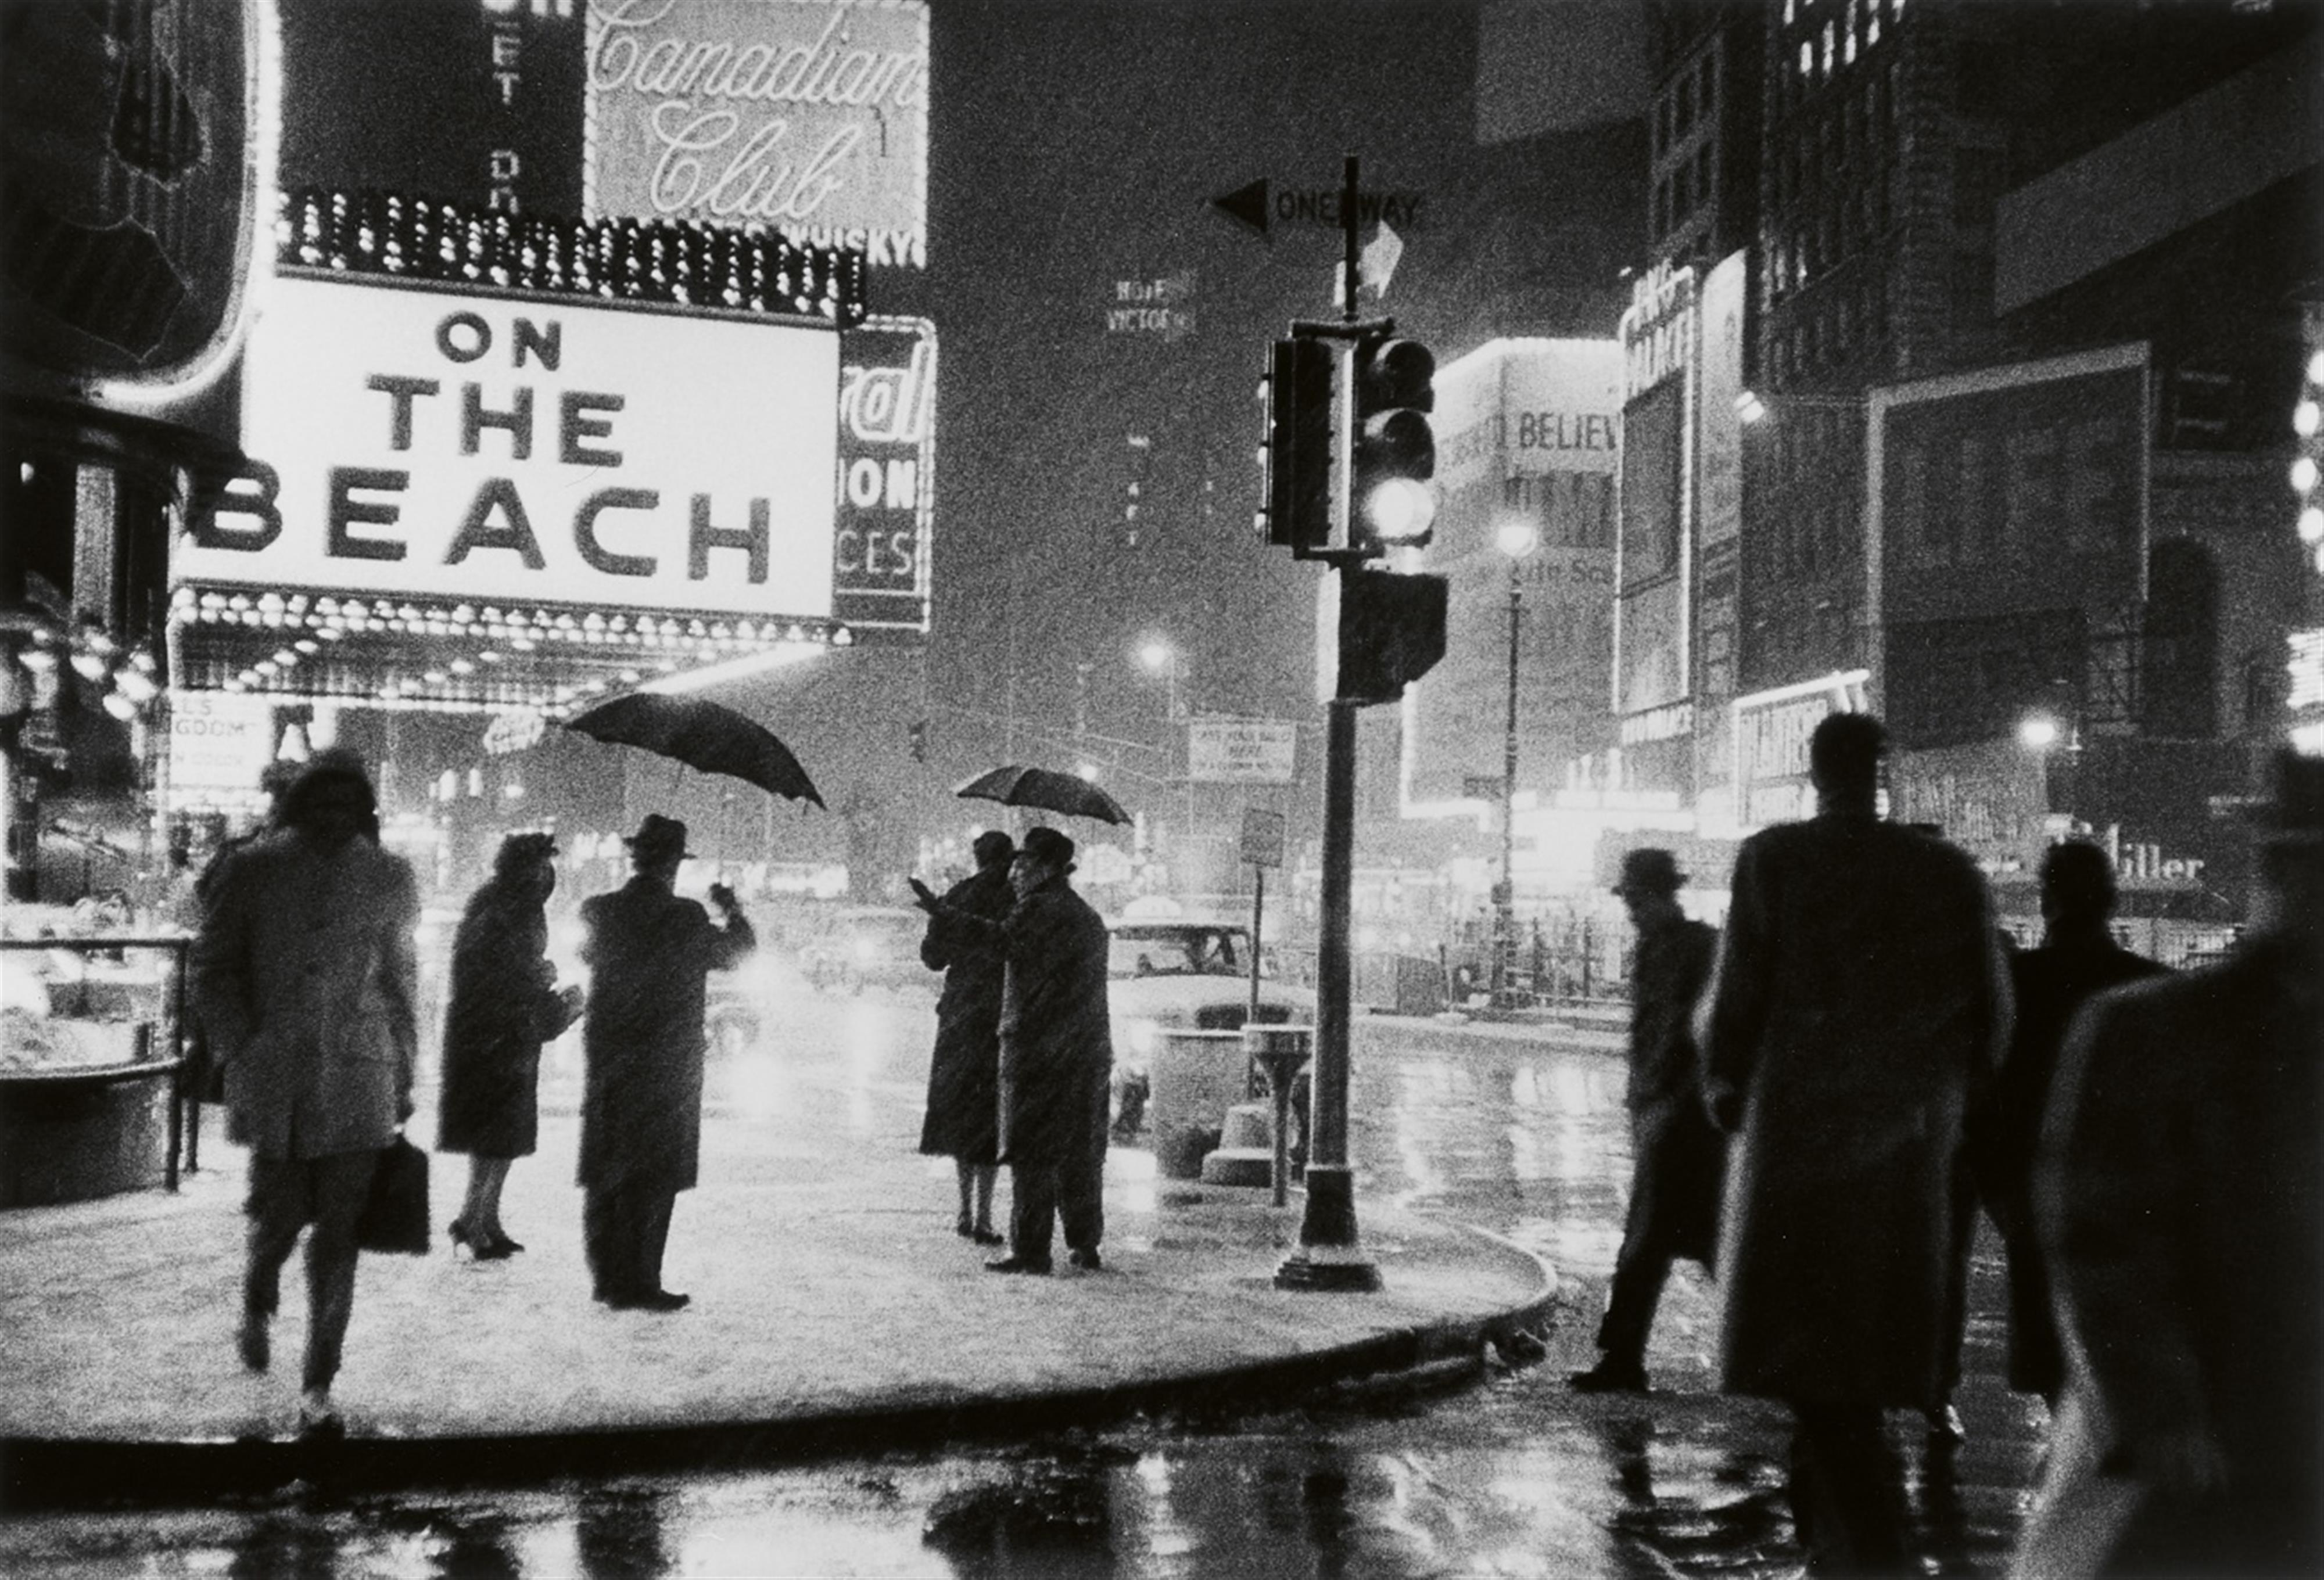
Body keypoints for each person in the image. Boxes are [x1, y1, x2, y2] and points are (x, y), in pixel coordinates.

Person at [1696, 712, 2010, 1576]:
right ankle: (1842, 1545)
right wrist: (1952, 1098)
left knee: (1812, 1366)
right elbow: (1991, 1016)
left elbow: (1739, 987)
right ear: (1882, 773)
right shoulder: (1947, 872)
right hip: (1907, 1147)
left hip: (1795, 1144)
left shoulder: (1773, 860)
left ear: (1813, 771)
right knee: (1866, 1359)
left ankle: (1864, 1551)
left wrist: (1724, 1082)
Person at [2020, 749, 2322, 1579]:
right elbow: (2100, 1240)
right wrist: (2155, 1410)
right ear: (2278, 876)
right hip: (2197, 1450)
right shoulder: (2153, 1028)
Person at [192, 749, 420, 1438]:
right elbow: (214, 967)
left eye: (347, 803)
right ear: (301, 802)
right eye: (322, 800)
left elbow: (401, 979)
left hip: (360, 1071)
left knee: (340, 1233)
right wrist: (241, 1044)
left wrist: (405, 1067)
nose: (333, 815)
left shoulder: (389, 875)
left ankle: (320, 1378)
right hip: (277, 1073)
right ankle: (258, 1294)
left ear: (363, 808)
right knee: (280, 1219)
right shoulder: (253, 869)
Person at [1967, 842, 2164, 1407]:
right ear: (2111, 900)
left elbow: (1983, 1097)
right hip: (2132, 1207)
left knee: (2055, 1370)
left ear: (2046, 899)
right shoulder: (2153, 988)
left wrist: (1999, 1194)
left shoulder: (2016, 983)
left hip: (2036, 1199)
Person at [912, 825, 1111, 1276]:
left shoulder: (1041, 910)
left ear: (1045, 869)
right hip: (1088, 1048)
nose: (1015, 874)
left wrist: (944, 912)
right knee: (1079, 1151)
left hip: (1046, 1048)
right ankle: (1084, 1242)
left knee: (1034, 1150)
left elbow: (1001, 939)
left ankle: (1031, 1250)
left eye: (1023, 865)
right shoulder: (1085, 915)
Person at [577, 814, 756, 1312]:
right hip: (666, 1065)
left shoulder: (600, 911)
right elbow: (736, 953)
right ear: (674, 864)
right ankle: (642, 1278)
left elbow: (587, 953)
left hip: (611, 1060)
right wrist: (732, 909)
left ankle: (606, 1276)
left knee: (607, 1169)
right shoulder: (686, 919)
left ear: (635, 859)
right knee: (655, 1178)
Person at [1570, 848, 1722, 1394]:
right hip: (1662, 1117)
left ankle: (1623, 1359)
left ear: (1662, 895)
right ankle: (1623, 1359)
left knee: (1651, 1245)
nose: (1631, 910)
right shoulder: (1655, 948)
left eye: (1637, 900)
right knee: (1686, 1245)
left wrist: (1670, 1103)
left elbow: (1702, 1036)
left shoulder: (1701, 949)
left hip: (1687, 1124)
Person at [436, 832, 584, 1261]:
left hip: (508, 1033)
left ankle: (486, 1217)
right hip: (493, 1035)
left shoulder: (515, 905)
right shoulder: (501, 908)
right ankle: (472, 1218)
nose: (545, 874)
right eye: (539, 865)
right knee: (495, 1134)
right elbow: (491, 969)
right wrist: (538, 975)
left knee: (506, 1135)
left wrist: (537, 975)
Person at [916, 830, 1014, 1246]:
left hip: (959, 1015)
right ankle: (985, 1217)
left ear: (976, 859)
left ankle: (964, 1209)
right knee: (990, 1114)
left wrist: (941, 918)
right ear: (1008, 859)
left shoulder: (957, 896)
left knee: (961, 1111)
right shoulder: (1015, 899)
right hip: (999, 1012)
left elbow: (932, 958)